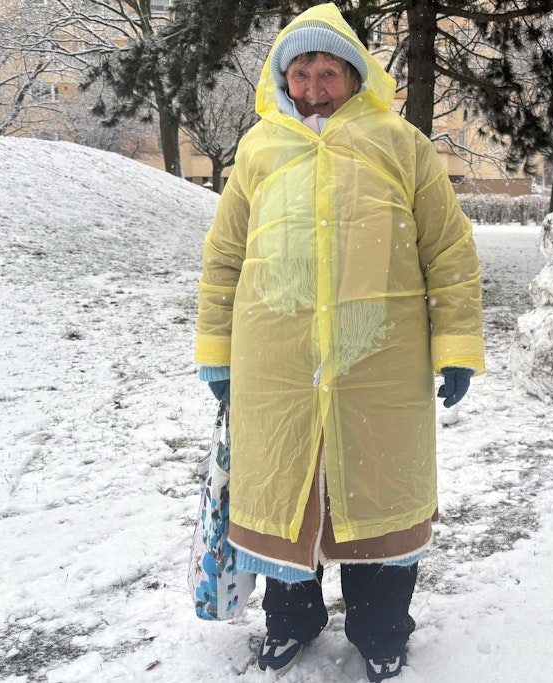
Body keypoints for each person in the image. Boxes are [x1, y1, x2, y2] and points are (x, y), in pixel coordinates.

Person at [193, 3, 485, 681]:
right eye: (302, 73)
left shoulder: (399, 142)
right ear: (284, 78)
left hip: (379, 361)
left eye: (328, 72)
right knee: (286, 495)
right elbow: (224, 256)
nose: (315, 88)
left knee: (377, 497)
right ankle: (289, 619)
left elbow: (449, 248)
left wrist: (457, 343)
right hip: (278, 366)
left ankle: (381, 626)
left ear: (354, 75)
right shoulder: (260, 148)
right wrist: (216, 348)